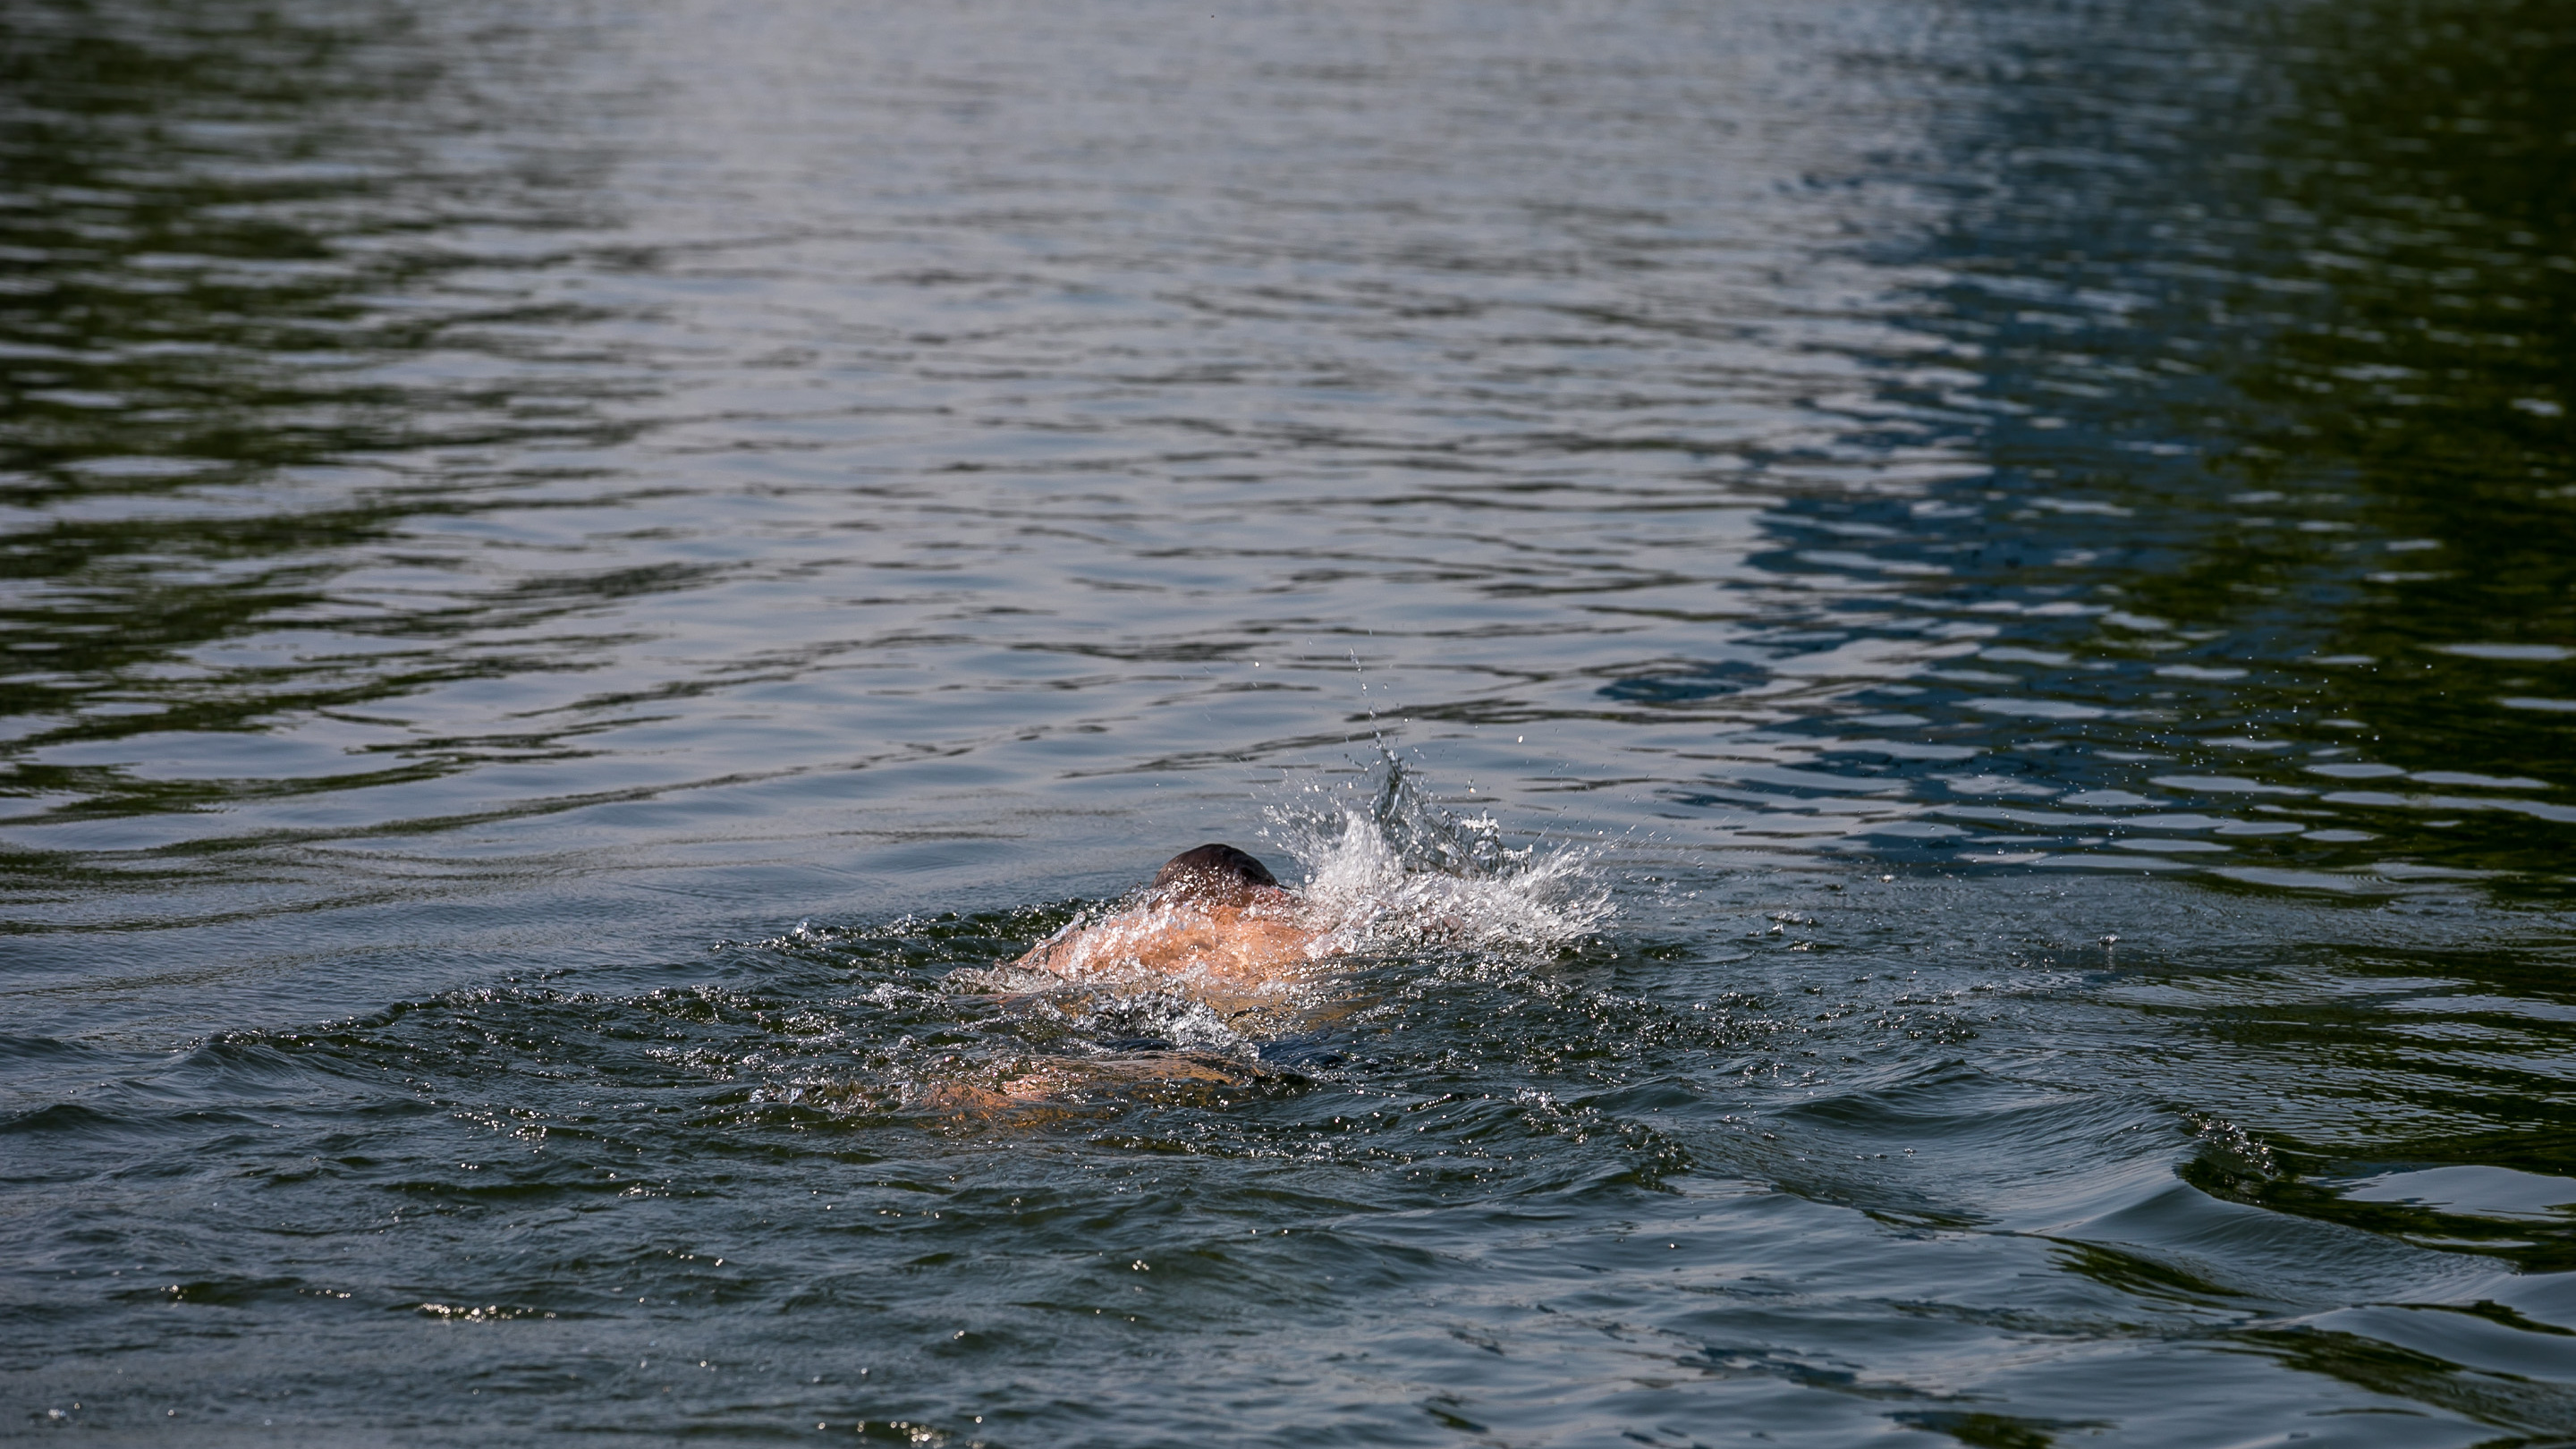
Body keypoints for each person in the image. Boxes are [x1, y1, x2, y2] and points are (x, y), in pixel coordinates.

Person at [1007, 843, 1328, 994]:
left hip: (1116, 1018)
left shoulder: (1121, 936)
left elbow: (1011, 983)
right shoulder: (1265, 934)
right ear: (1266, 897)